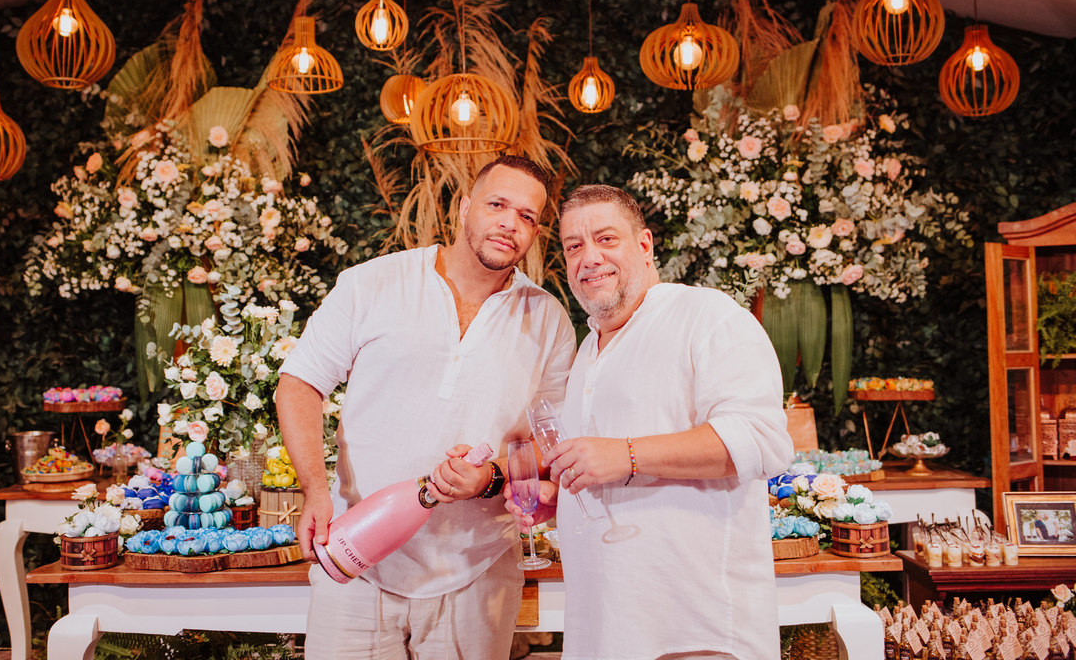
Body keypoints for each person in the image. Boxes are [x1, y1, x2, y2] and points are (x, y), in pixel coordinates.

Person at [275, 155, 577, 660]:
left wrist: (493, 476)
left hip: (477, 572)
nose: (509, 223)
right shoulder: (372, 283)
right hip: (356, 559)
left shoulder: (548, 320)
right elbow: (299, 383)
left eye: (527, 216)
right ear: (463, 208)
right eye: (497, 204)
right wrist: (313, 491)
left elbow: (552, 441)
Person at [509, 183, 793, 660]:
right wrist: (558, 503)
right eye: (573, 246)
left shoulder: (707, 316)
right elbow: (615, 476)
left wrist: (626, 454)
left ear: (644, 246)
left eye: (605, 238)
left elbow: (761, 440)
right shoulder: (587, 352)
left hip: (694, 629)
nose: (589, 257)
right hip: (608, 627)